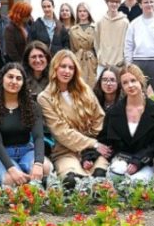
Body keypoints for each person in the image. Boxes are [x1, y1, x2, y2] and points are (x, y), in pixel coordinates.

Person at [37, 50, 108, 182]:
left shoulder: (85, 90)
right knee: (72, 181)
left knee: (100, 177)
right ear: (55, 68)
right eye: (63, 66)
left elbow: (99, 118)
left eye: (71, 67)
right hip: (66, 151)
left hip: (93, 150)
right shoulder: (45, 98)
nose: (67, 71)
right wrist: (93, 143)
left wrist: (93, 147)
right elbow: (61, 132)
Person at [0, 63, 53, 186]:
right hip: (2, 154)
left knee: (46, 168)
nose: (14, 81)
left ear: (23, 83)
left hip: (27, 151)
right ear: (2, 79)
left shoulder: (32, 106)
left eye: (18, 78)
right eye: (10, 77)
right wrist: (11, 169)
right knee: (10, 180)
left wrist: (38, 163)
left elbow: (38, 137)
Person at [98, 64, 154, 181]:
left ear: (140, 81)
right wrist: (90, 155)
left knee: (136, 183)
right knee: (116, 174)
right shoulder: (114, 112)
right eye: (125, 83)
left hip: (144, 162)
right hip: (121, 160)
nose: (130, 85)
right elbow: (104, 140)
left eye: (133, 80)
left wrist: (138, 161)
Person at [95, 0, 128, 70]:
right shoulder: (100, 21)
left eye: (116, 2)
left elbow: (127, 42)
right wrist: (99, 56)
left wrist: (123, 59)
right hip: (103, 64)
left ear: (119, 4)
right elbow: (96, 42)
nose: (114, 4)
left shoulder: (125, 22)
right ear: (107, 3)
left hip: (119, 64)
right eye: (111, 2)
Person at [66, 3, 97, 80]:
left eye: (84, 11)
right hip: (78, 58)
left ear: (88, 13)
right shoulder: (72, 29)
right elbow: (72, 47)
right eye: (80, 11)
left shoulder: (95, 27)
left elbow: (98, 46)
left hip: (91, 59)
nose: (82, 13)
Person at [3, 1, 32, 70]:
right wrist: (21, 64)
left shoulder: (28, 25)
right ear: (21, 14)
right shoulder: (9, 29)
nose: (29, 16)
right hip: (16, 65)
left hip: (29, 63)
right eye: (27, 14)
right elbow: (11, 51)